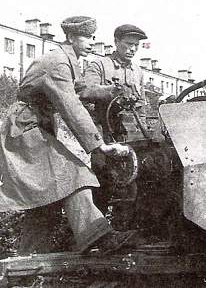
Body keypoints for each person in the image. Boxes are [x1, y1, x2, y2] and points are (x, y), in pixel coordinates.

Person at [0, 16, 138, 255]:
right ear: (71, 37)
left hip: (33, 128)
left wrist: (111, 90)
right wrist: (98, 146)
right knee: (76, 175)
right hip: (25, 130)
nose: (91, 42)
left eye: (93, 37)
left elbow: (80, 89)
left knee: (45, 199)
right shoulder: (58, 64)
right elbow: (70, 105)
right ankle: (97, 236)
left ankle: (28, 261)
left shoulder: (66, 60)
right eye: (85, 37)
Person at [76, 24, 149, 229]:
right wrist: (111, 91)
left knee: (130, 183)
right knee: (103, 182)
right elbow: (84, 91)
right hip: (104, 135)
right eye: (128, 44)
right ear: (116, 42)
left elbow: (141, 105)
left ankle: (123, 228)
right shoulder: (99, 65)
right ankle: (96, 231)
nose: (133, 49)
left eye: (136, 45)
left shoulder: (138, 72)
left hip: (130, 137)